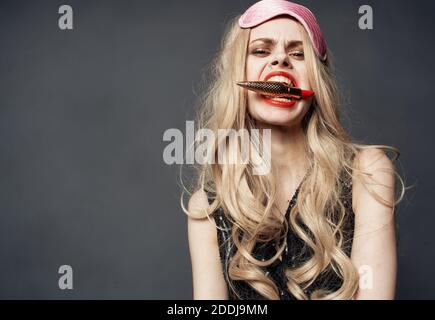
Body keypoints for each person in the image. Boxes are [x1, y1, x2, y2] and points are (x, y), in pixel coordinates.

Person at [182, 0, 405, 300]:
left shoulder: (366, 172)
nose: (280, 61)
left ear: (315, 79)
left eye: (298, 54)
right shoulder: (206, 209)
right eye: (261, 50)